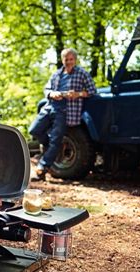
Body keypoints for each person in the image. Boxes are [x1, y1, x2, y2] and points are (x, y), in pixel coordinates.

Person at [28, 48, 96, 181]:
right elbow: (47, 89)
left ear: (75, 60)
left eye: (71, 59)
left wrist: (78, 94)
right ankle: (55, 148)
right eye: (66, 59)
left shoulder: (82, 73)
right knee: (34, 130)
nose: (69, 62)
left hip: (66, 110)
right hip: (50, 106)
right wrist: (51, 93)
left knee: (55, 139)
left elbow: (93, 90)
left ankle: (42, 167)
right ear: (62, 59)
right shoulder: (57, 74)